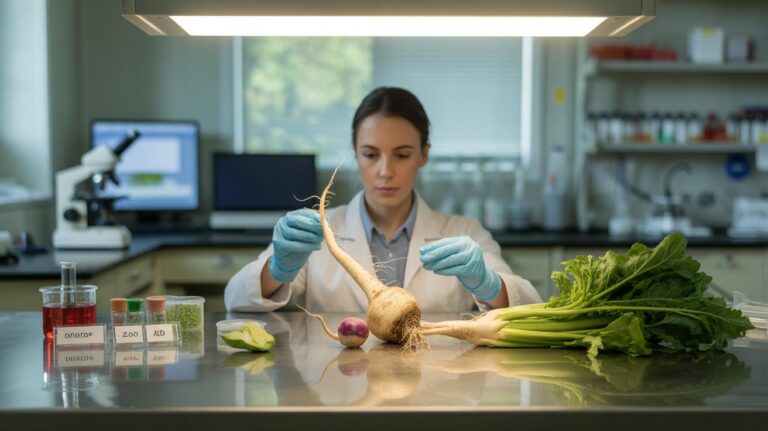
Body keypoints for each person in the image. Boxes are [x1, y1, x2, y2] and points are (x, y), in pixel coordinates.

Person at [225, 87, 541, 313]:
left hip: (437, 392)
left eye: (402, 155)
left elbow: (530, 305)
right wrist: (278, 268)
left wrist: (488, 284)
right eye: (370, 155)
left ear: (424, 155)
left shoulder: (465, 232)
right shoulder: (319, 229)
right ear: (355, 152)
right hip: (338, 386)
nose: (385, 171)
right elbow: (235, 298)